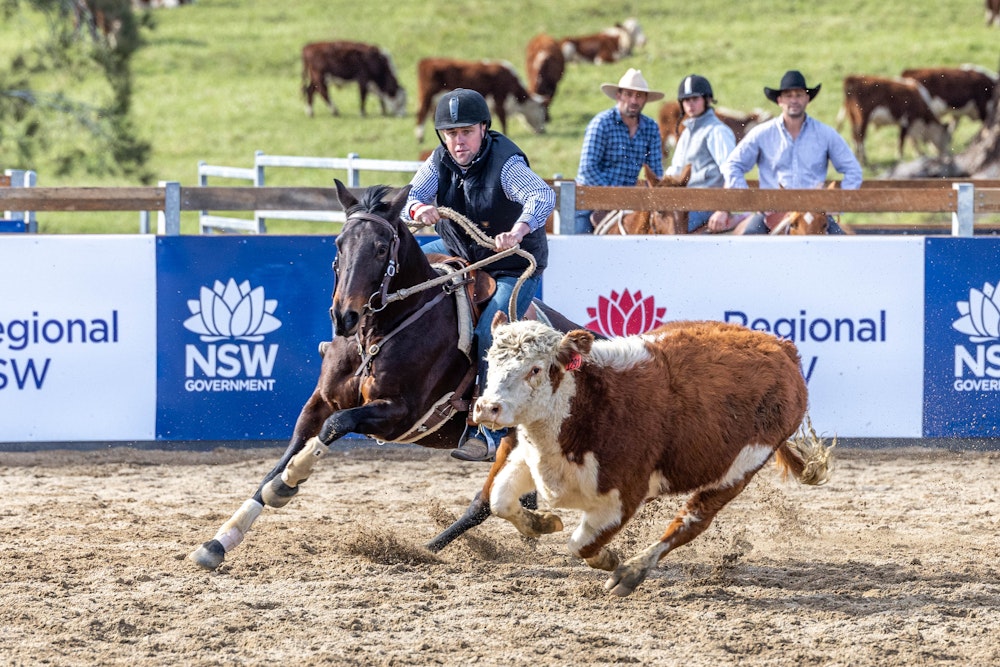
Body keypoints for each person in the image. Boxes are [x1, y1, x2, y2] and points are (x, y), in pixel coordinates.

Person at [403, 88, 555, 462]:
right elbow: (410, 196)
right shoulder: (438, 161)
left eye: (466, 131)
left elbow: (542, 196)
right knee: (399, 277)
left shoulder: (506, 163)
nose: (458, 141)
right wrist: (418, 207)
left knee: (493, 332)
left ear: (484, 129)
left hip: (512, 265)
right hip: (460, 254)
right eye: (451, 133)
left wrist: (519, 229)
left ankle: (487, 430)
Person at [719, 70, 863, 234]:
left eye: (799, 95)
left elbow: (853, 170)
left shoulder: (826, 134)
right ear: (779, 100)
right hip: (772, 210)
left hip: (815, 211)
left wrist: (836, 205)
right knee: (747, 242)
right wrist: (749, 199)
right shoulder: (762, 133)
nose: (794, 100)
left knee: (843, 247)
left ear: (807, 99)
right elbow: (732, 165)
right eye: (788, 95)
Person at [575, 68, 664, 234]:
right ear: (619, 96)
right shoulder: (601, 123)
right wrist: (616, 197)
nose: (633, 100)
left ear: (645, 100)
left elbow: (655, 172)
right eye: (629, 94)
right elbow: (587, 170)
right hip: (590, 199)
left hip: (627, 204)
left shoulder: (651, 128)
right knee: (579, 239)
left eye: (639, 96)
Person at [666, 74, 735, 232]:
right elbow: (675, 171)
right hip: (685, 204)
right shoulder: (685, 134)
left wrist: (723, 210)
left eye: (695, 99)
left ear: (707, 100)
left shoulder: (717, 131)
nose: (690, 104)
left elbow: (731, 173)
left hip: (708, 205)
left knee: (672, 230)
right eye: (686, 100)